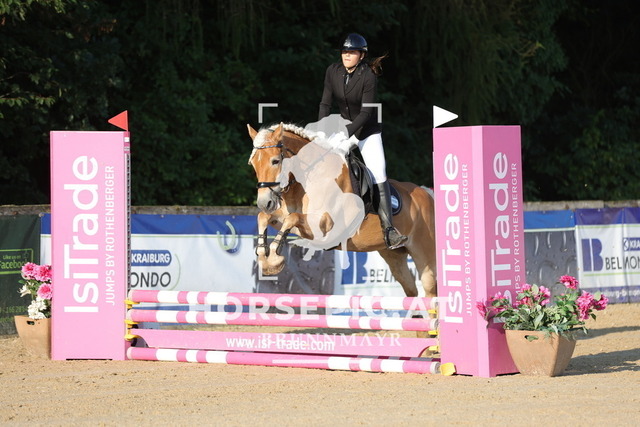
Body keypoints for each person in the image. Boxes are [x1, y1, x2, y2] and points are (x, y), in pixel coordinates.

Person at [318, 33, 407, 249]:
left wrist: (346, 133)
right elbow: (325, 104)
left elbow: (366, 113)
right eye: (344, 51)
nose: (347, 55)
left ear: (361, 55)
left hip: (367, 131)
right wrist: (321, 131)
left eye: (352, 52)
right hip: (343, 129)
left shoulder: (368, 76)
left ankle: (389, 230)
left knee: (378, 173)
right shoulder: (333, 71)